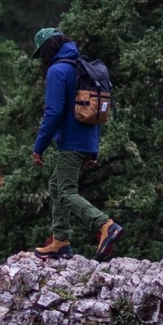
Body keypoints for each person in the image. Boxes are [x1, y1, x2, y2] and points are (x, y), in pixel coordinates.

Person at [29, 27, 123, 261]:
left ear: (47, 49)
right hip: (86, 141)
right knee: (55, 185)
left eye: (41, 53)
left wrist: (39, 146)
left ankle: (105, 224)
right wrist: (94, 149)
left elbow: (53, 112)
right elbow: (98, 111)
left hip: (71, 142)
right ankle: (60, 241)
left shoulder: (58, 70)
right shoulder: (83, 68)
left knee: (66, 191)